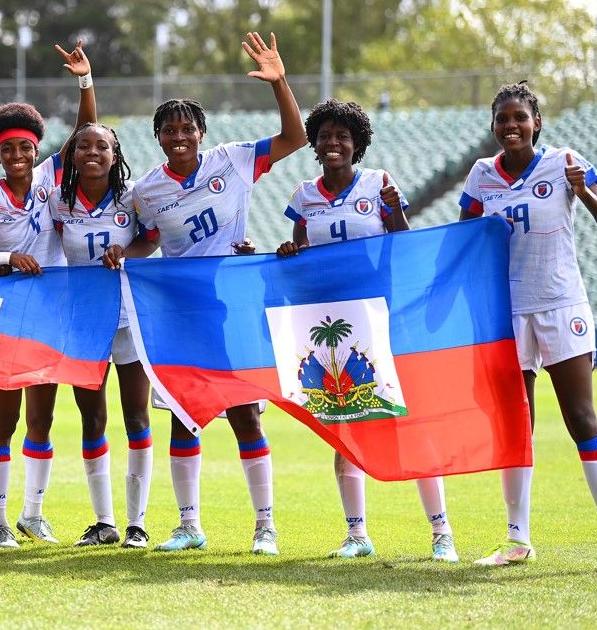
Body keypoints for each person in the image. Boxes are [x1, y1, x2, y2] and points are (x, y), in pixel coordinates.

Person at [103, 32, 305, 555]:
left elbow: (295, 137)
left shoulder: (233, 160)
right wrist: (125, 254)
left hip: (232, 305)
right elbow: (146, 241)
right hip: (178, 312)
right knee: (185, 415)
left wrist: (280, 82)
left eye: (186, 128)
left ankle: (266, 527)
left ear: (201, 132)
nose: (179, 137)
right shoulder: (146, 190)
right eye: (169, 130)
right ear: (158, 137)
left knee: (244, 414)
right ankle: (189, 525)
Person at [276, 98, 459, 563]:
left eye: (343, 136)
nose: (333, 142)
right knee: (346, 426)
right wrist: (286, 252)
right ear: (314, 144)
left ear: (357, 143)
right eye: (325, 136)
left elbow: (402, 243)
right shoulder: (303, 195)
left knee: (412, 422)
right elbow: (300, 256)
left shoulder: (379, 183)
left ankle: (441, 533)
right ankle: (357, 534)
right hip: (329, 328)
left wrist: (396, 210)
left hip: (380, 318)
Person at [459, 82, 597, 572]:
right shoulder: (481, 175)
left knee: (580, 418)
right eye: (502, 119)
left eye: (519, 118)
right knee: (516, 424)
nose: (511, 126)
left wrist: (582, 191)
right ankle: (518, 540)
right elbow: (463, 235)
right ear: (493, 127)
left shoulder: (564, 161)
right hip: (507, 313)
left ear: (537, 123)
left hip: (560, 304)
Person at [0, 41, 95, 548]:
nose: (17, 156)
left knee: (43, 418)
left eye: (25, 148)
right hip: (6, 315)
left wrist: (84, 83)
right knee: (3, 417)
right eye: (7, 149)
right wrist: (6, 260)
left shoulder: (53, 177)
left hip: (49, 314)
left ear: (36, 150)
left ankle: (33, 514)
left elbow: (83, 136)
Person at [49, 122, 152, 548]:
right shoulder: (57, 202)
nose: (93, 152)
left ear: (116, 154)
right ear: (71, 156)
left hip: (129, 320)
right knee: (92, 419)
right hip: (82, 322)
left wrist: (127, 252)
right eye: (84, 145)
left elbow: (152, 241)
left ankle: (137, 525)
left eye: (102, 146)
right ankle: (104, 522)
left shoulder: (134, 199)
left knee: (137, 418)